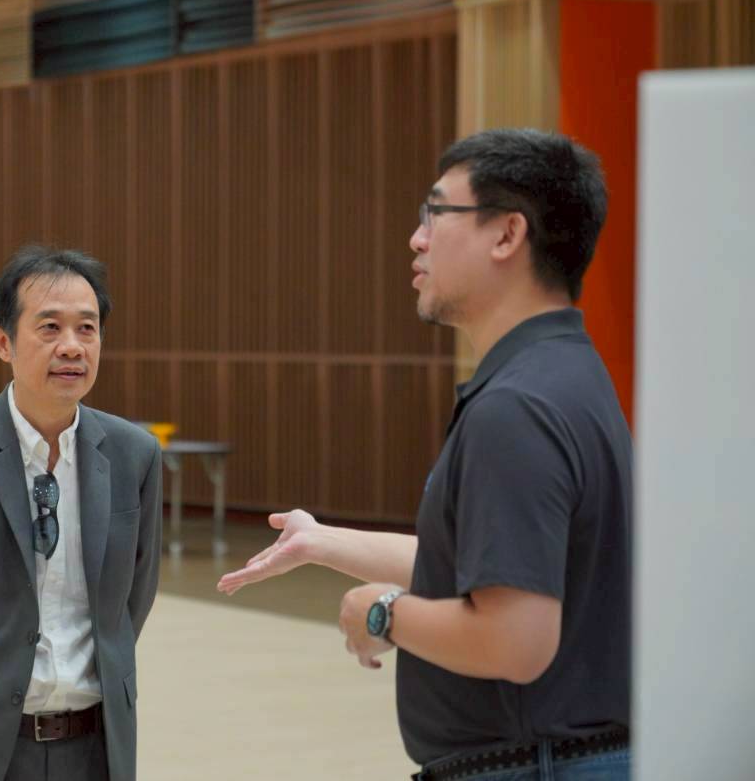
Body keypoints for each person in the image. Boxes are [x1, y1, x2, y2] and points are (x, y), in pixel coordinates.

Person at [220, 128, 632, 780]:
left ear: (507, 234)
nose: (417, 239)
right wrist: (320, 542)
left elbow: (515, 639)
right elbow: (491, 568)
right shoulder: (565, 372)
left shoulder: (516, 408)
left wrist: (383, 611)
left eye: (436, 213)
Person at [0, 246, 162, 781]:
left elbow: (133, 599)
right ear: (3, 341)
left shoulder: (134, 454)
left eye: (87, 329)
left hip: (98, 744)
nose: (72, 346)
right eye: (49, 327)